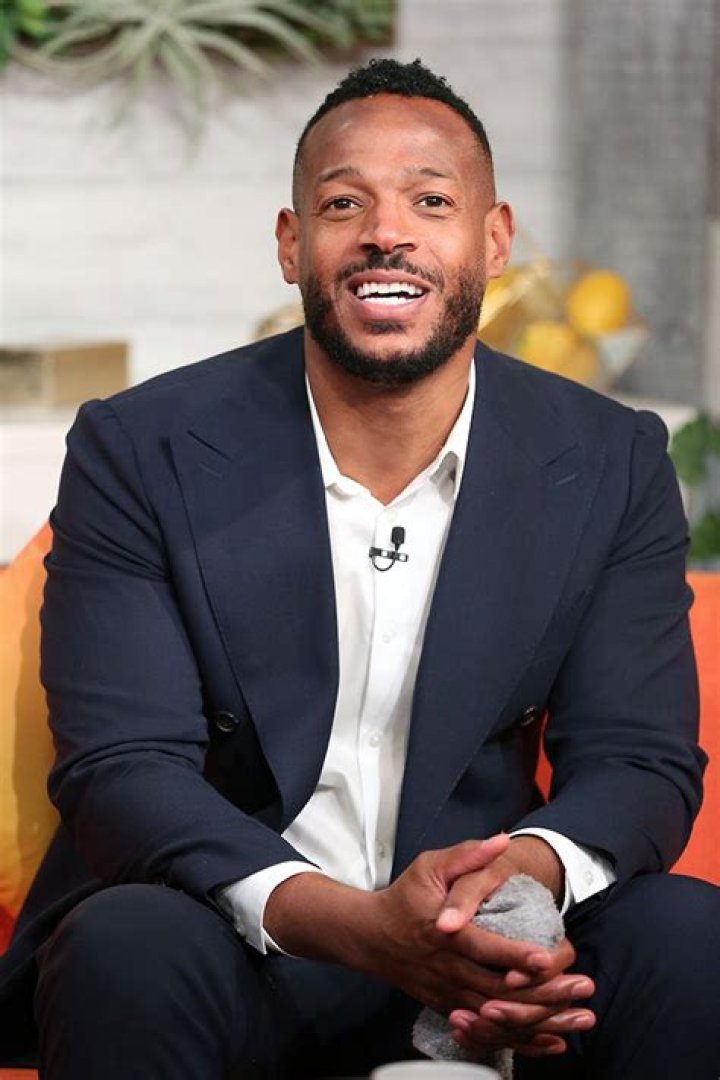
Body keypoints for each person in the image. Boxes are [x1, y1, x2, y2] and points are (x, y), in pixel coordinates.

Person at [1, 57, 718, 1080]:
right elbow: (122, 769)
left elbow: (639, 760)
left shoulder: (608, 458)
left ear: (494, 239)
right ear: (293, 246)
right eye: (345, 203)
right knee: (125, 949)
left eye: (431, 200)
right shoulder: (141, 447)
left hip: (498, 944)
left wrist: (508, 899)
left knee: (688, 941)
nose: (389, 231)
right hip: (245, 936)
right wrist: (351, 923)